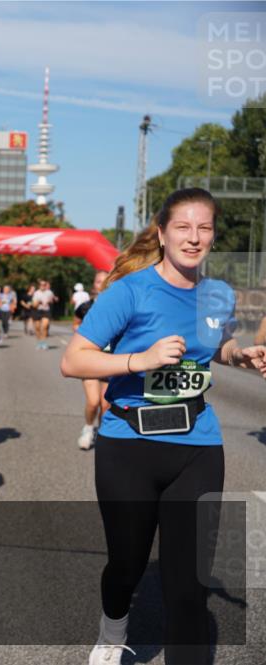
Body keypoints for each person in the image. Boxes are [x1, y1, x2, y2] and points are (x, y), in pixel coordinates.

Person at [60, 188, 266, 665]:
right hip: (128, 447)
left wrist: (238, 354)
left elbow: (216, 344)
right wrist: (141, 359)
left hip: (197, 445)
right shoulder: (129, 292)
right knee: (126, 566)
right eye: (183, 227)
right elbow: (73, 361)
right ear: (162, 232)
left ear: (213, 235)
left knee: (189, 587)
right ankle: (113, 631)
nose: (194, 238)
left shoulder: (218, 293)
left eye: (204, 228)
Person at [72, 270, 109, 450]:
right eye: (98, 281)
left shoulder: (119, 306)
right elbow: (76, 322)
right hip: (90, 359)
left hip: (111, 360)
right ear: (93, 285)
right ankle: (88, 428)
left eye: (105, 281)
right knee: (93, 401)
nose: (101, 284)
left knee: (106, 404)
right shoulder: (86, 306)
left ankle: (102, 434)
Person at [32, 278, 57, 349]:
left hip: (46, 311)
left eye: (44, 285)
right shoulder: (36, 293)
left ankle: (44, 342)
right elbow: (34, 305)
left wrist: (49, 301)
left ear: (46, 285)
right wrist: (38, 302)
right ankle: (39, 342)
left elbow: (53, 300)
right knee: (37, 328)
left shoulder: (49, 292)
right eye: (41, 285)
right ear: (39, 285)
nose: (43, 286)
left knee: (44, 326)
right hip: (37, 311)